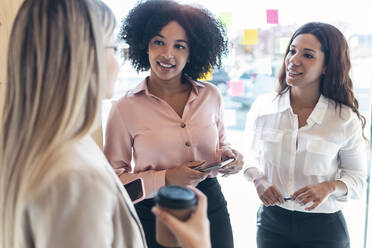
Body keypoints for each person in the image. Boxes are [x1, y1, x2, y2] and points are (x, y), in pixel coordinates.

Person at [0, 0, 211, 247]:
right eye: (112, 48)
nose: (117, 61)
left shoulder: (59, 148)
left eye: (180, 46)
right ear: (83, 57)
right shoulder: (76, 178)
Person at [104, 0, 244, 247]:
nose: (167, 54)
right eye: (159, 42)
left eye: (180, 46)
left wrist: (228, 157)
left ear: (192, 53)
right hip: (154, 212)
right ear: (144, 45)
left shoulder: (211, 95)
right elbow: (116, 184)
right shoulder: (124, 108)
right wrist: (166, 178)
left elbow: (221, 143)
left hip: (210, 203)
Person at [243, 22, 367, 248]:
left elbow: (357, 180)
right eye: (292, 51)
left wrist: (328, 187)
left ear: (327, 66)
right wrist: (258, 178)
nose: (294, 60)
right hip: (272, 223)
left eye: (308, 55)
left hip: (324, 228)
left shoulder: (344, 119)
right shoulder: (263, 107)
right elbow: (248, 155)